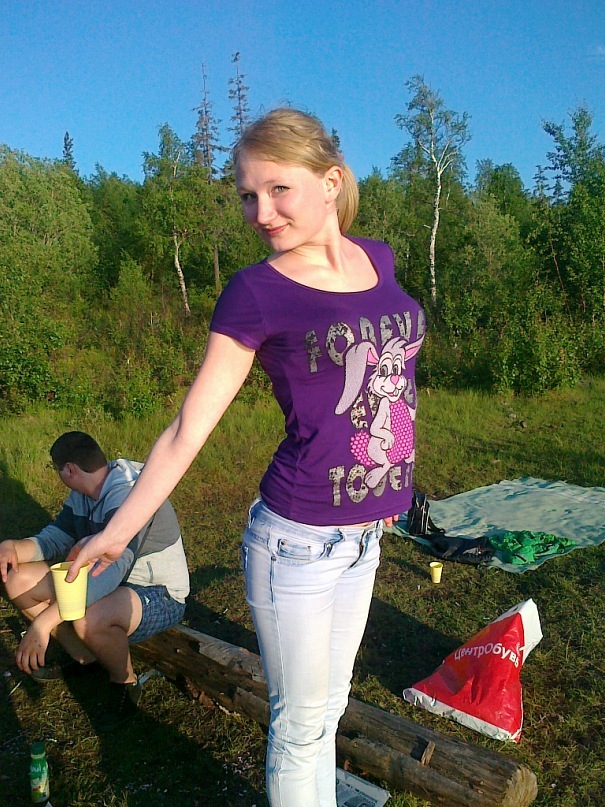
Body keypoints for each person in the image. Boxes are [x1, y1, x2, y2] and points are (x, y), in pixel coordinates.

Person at [65, 109, 425, 805]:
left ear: (330, 182)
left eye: (277, 189)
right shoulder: (257, 292)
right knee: (298, 726)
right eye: (247, 195)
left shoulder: (377, 258)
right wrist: (115, 532)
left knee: (328, 708)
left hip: (362, 538)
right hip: (297, 544)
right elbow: (186, 430)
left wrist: (391, 485)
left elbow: (394, 381)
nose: (260, 212)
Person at [0, 431, 190, 732]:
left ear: (69, 470)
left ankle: (125, 685)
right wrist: (13, 547)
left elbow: (111, 572)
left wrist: (43, 624)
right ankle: (84, 657)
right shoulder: (83, 495)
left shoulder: (127, 494)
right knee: (17, 580)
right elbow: (57, 537)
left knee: (89, 617)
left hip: (159, 592)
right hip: (110, 581)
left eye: (57, 470)